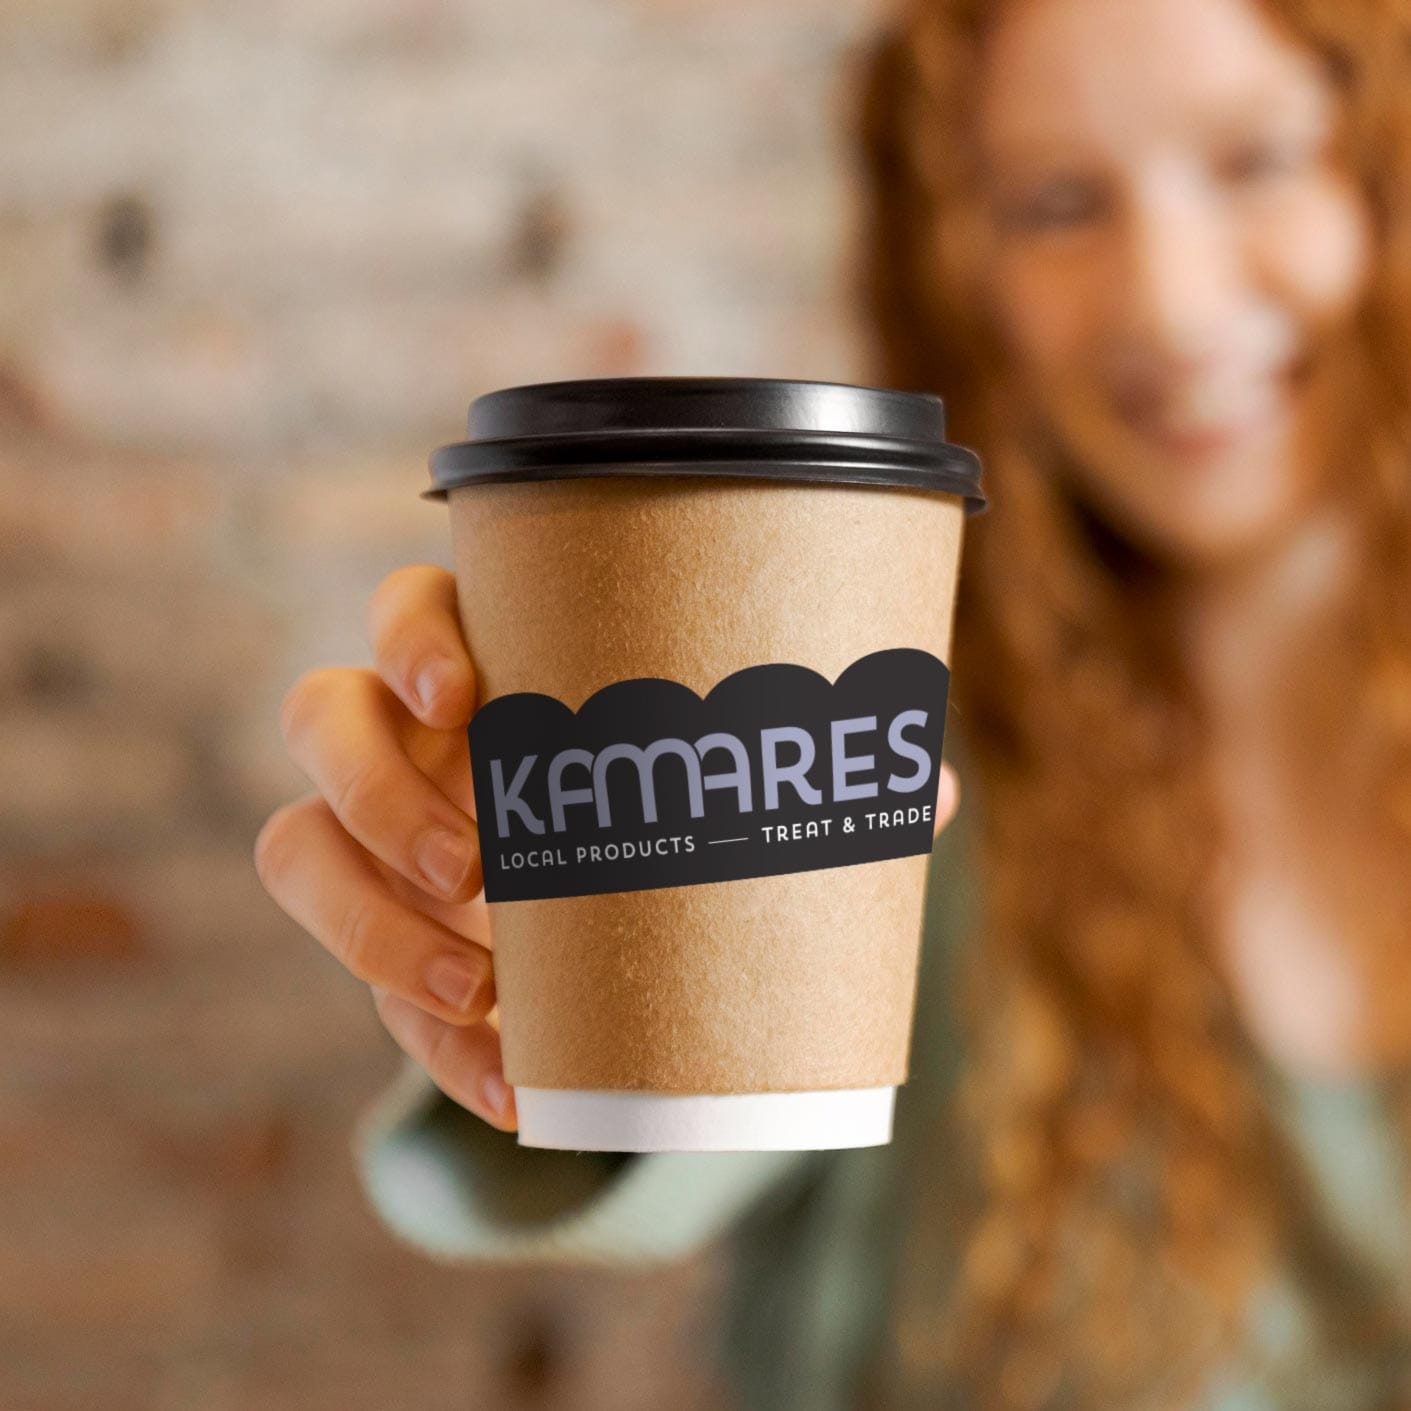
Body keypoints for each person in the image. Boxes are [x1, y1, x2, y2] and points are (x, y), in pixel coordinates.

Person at [253, 0, 1411, 1406]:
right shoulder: (865, 746)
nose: (1171, 302)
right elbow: (655, 1149)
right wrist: (533, 941)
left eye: (1257, 161)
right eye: (1055, 204)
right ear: (958, 275)